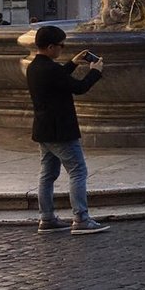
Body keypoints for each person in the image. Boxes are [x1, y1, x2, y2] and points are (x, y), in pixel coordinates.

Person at [25, 25, 108, 235]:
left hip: (43, 130)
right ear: (51, 46)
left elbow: (58, 79)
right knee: (78, 171)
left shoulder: (34, 67)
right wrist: (95, 73)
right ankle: (81, 219)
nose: (62, 49)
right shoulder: (51, 69)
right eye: (61, 46)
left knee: (47, 174)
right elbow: (78, 88)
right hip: (61, 130)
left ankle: (47, 218)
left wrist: (72, 63)